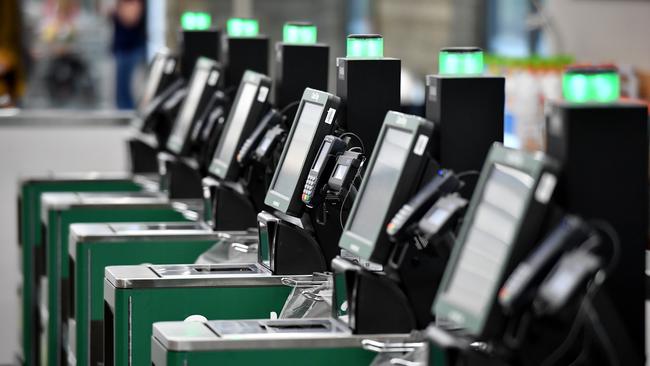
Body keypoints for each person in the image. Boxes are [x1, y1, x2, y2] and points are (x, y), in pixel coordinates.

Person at [111, 0, 146, 109]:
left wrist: (120, 8)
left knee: (131, 88)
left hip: (133, 48)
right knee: (121, 89)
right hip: (121, 48)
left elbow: (131, 18)